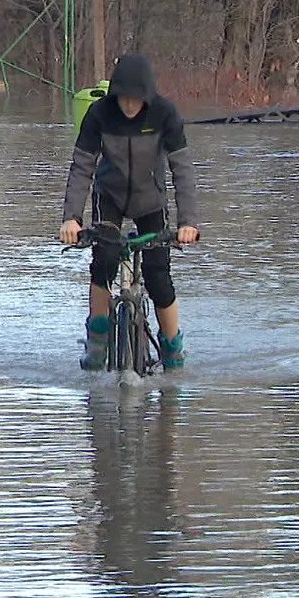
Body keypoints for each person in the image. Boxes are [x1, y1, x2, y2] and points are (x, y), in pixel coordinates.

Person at [59, 54, 200, 371]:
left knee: (158, 276)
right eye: (124, 98)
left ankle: (172, 347)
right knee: (104, 262)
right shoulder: (99, 114)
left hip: (151, 201)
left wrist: (188, 222)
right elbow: (82, 167)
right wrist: (72, 218)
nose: (129, 105)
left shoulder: (165, 114)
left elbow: (182, 170)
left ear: (147, 96)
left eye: (136, 100)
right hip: (109, 196)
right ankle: (97, 338)